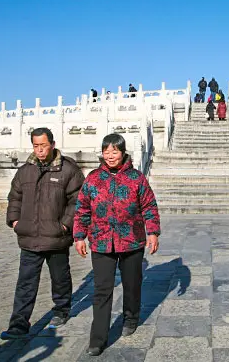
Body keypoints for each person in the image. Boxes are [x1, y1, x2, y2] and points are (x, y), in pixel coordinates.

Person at [73, 134, 160, 357]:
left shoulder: (136, 178)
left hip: (131, 240)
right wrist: (79, 236)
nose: (110, 156)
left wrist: (153, 232)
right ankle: (98, 339)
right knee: (102, 290)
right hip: (102, 241)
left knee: (132, 284)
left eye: (115, 151)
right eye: (106, 151)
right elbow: (82, 209)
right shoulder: (92, 179)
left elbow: (149, 205)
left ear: (123, 153)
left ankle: (131, 317)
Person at [0, 128, 85, 340]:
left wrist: (65, 225)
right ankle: (18, 325)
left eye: (43, 145)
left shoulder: (68, 170)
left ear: (53, 144)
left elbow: (77, 200)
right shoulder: (25, 171)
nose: (40, 150)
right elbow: (15, 197)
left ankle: (61, 310)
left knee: (60, 278)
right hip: (29, 236)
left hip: (56, 237)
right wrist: (15, 220)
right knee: (25, 283)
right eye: (36, 146)